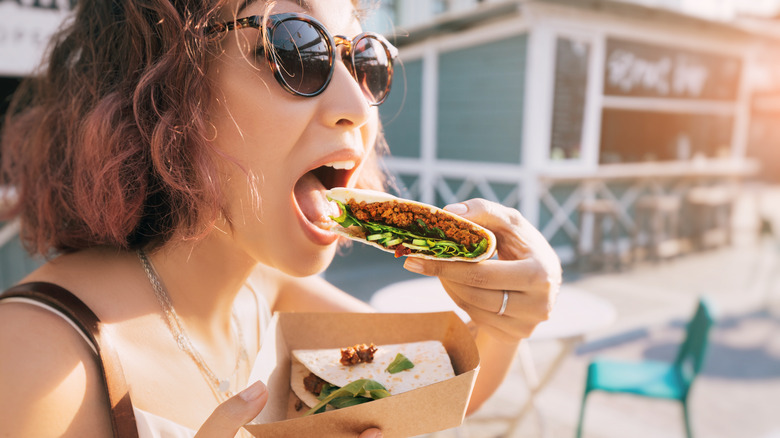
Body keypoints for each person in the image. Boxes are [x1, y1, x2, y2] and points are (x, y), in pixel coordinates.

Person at [0, 0, 561, 436]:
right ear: (155, 86)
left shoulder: (269, 295)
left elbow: (442, 387)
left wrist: (507, 321)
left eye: (364, 61)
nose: (362, 108)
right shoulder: (31, 359)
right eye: (297, 49)